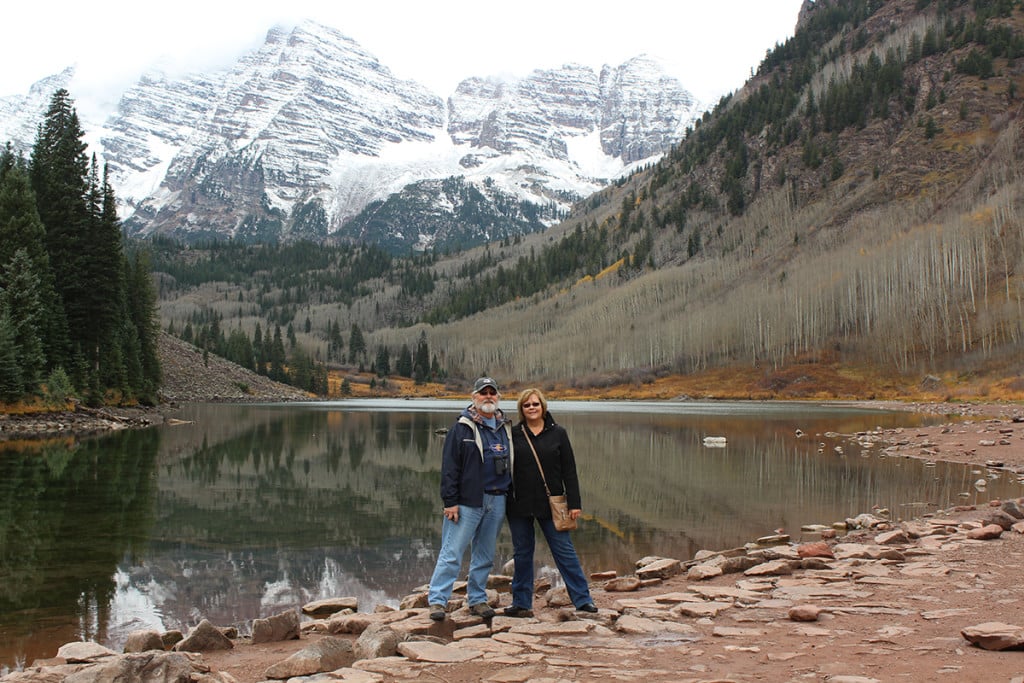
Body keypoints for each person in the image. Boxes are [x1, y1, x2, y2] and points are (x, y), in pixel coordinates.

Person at [426, 376, 514, 621]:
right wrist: (449, 501)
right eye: (483, 393)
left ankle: (476, 599)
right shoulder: (461, 428)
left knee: (485, 554)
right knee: (452, 551)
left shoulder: (504, 427)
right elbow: (449, 468)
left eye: (492, 393)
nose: (488, 397)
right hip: (466, 502)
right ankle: (437, 601)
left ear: (498, 397)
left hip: (497, 500)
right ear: (473, 398)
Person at [504, 388, 597, 616]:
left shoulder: (559, 434)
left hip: (552, 504)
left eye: (535, 404)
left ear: (543, 406)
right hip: (519, 504)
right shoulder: (512, 434)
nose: (532, 408)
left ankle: (583, 599)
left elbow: (570, 471)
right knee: (522, 554)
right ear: (521, 410)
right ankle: (521, 603)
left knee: (564, 551)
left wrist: (574, 503)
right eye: (527, 405)